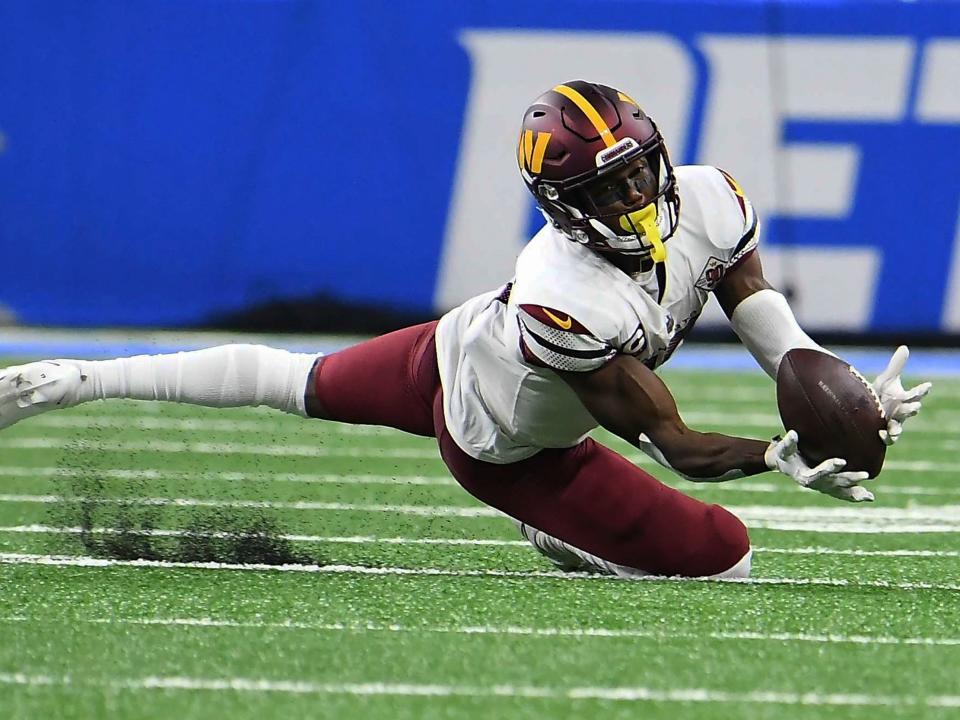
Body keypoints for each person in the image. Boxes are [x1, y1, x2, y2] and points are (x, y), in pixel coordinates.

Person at [0, 80, 931, 579]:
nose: (633, 196)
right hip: (503, 446)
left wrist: (818, 373)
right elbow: (671, 439)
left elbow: (751, 298)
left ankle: (75, 378)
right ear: (562, 207)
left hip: (456, 336)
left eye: (638, 173)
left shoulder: (714, 197)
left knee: (294, 378)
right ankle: (75, 378)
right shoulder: (564, 291)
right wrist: (775, 455)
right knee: (725, 559)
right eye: (603, 190)